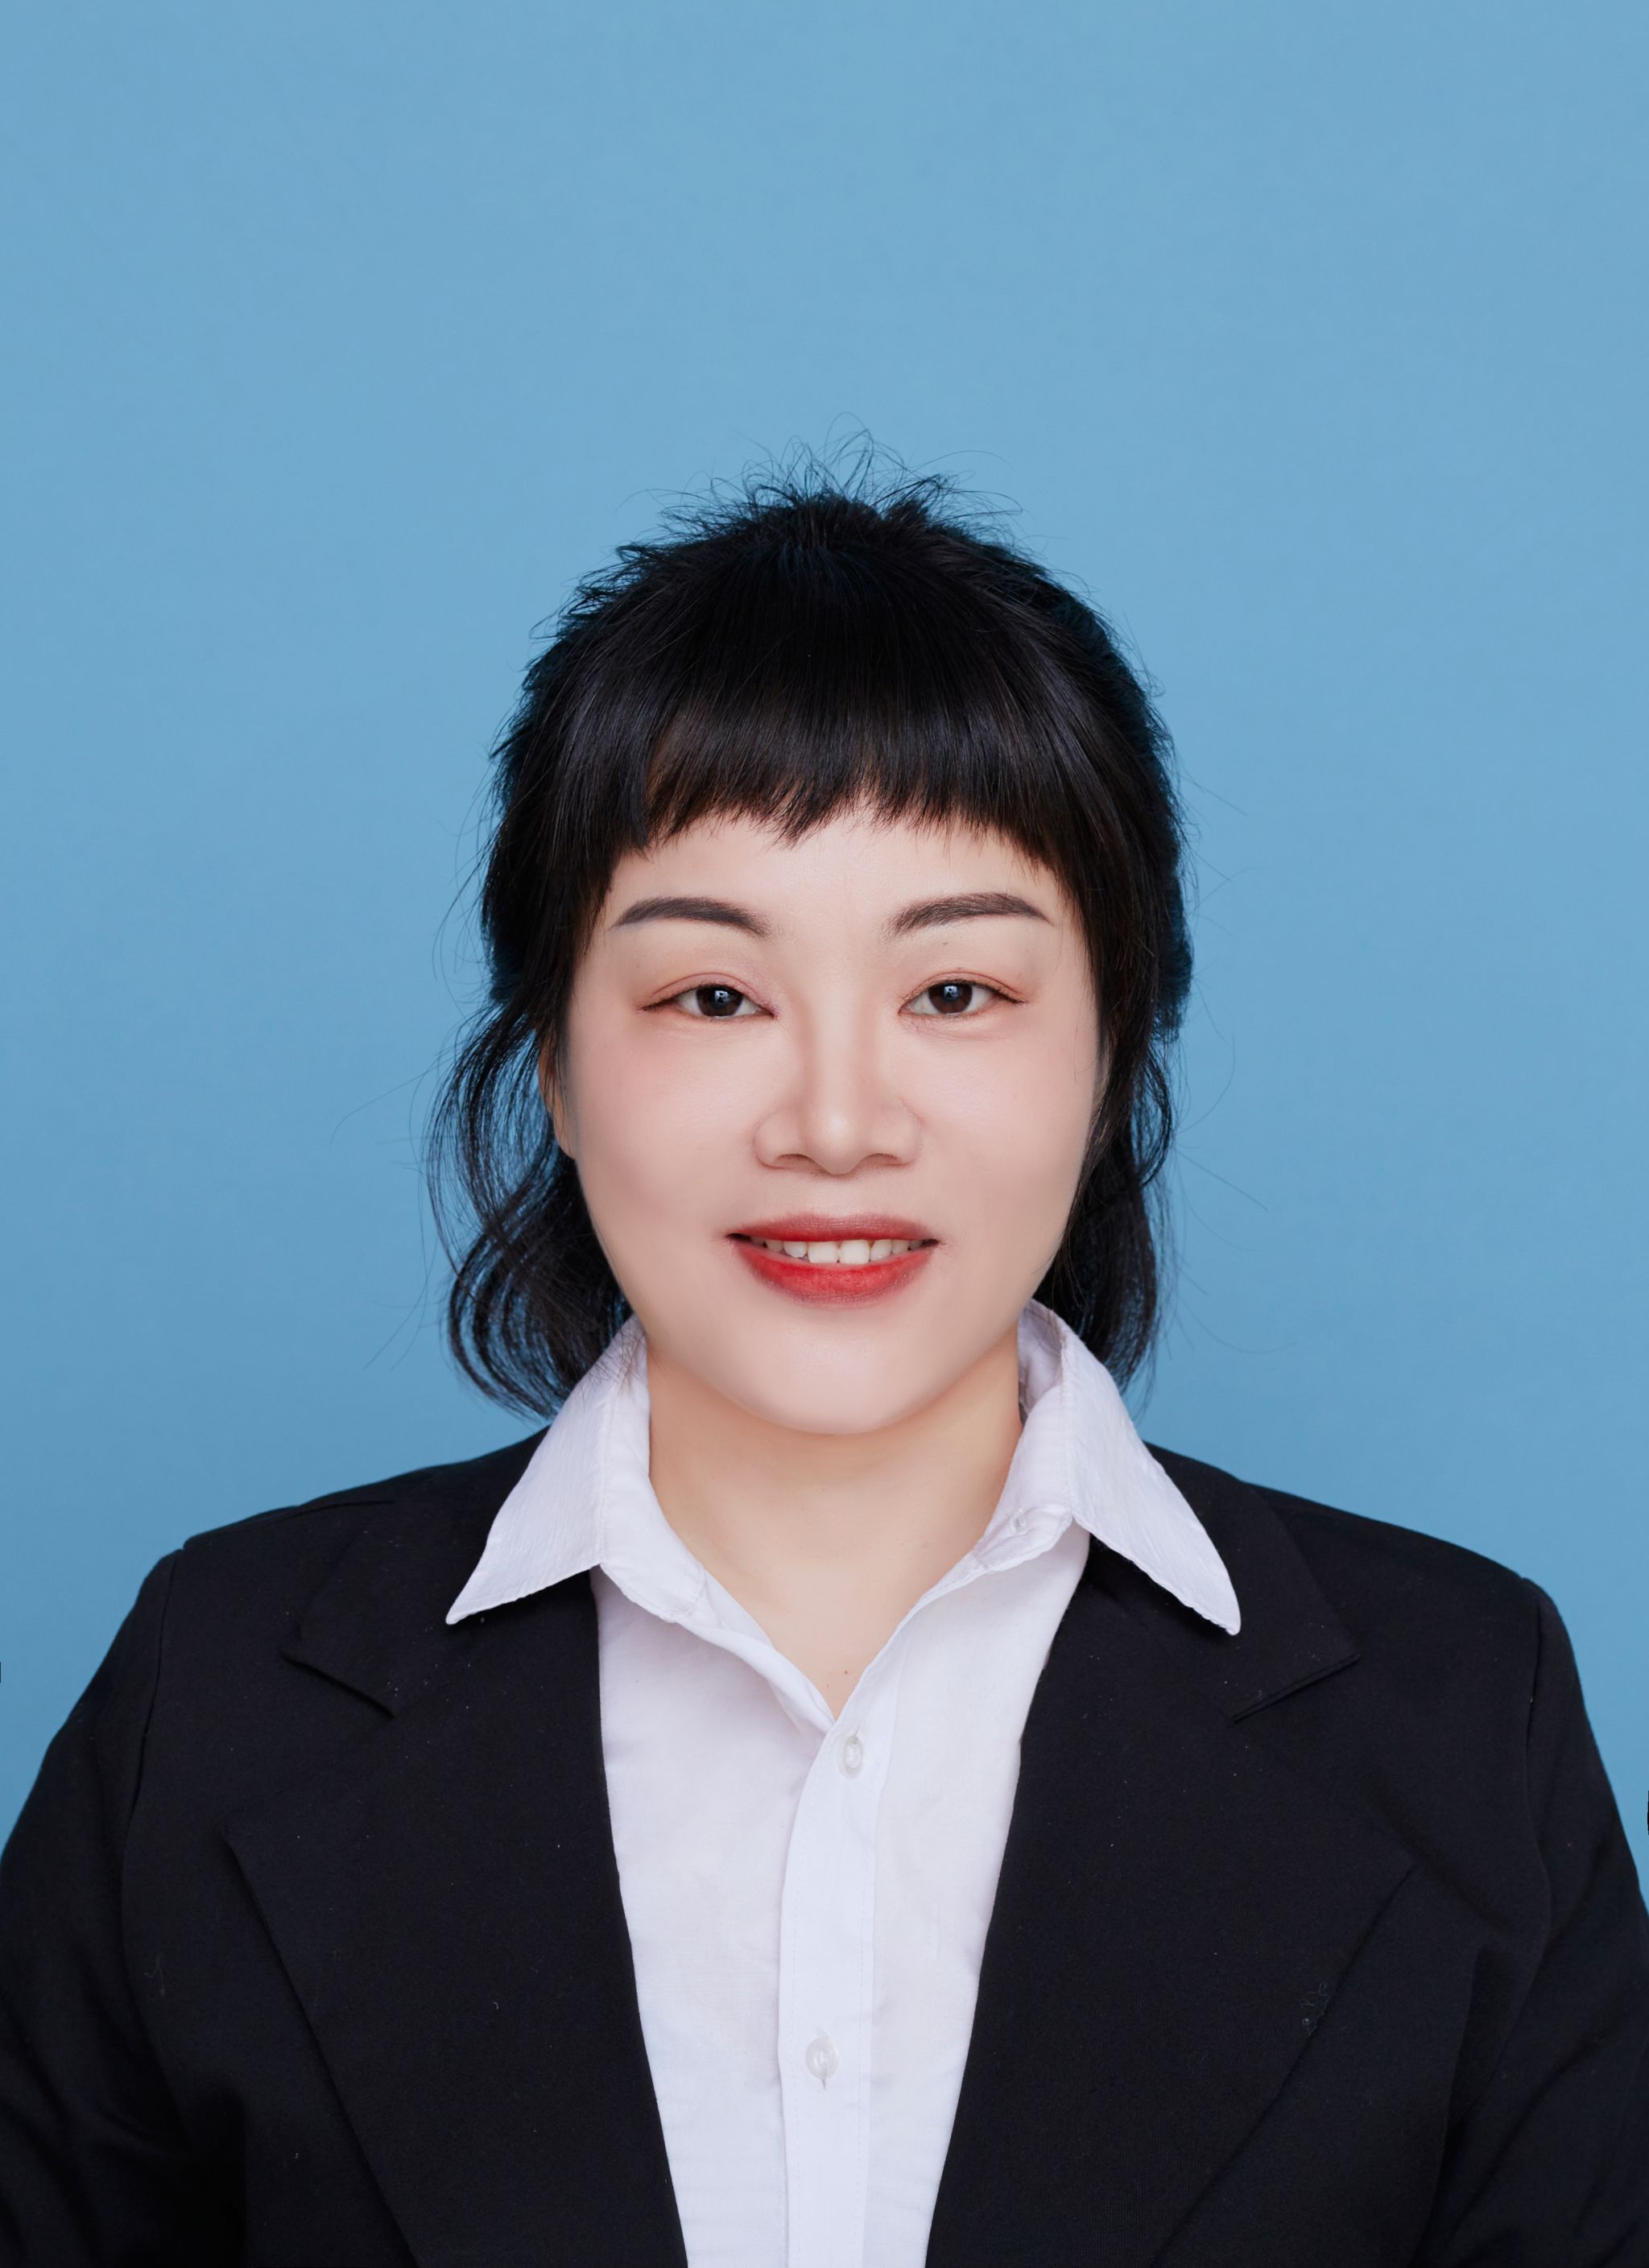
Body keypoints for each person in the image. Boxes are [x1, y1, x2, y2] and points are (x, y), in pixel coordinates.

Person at [2, 461, 1646, 2268]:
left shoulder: (1464, 1716)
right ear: (554, 1063)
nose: (838, 1121)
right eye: (713, 995)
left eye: (957, 992)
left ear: (1111, 1056)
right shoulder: (214, 1696)